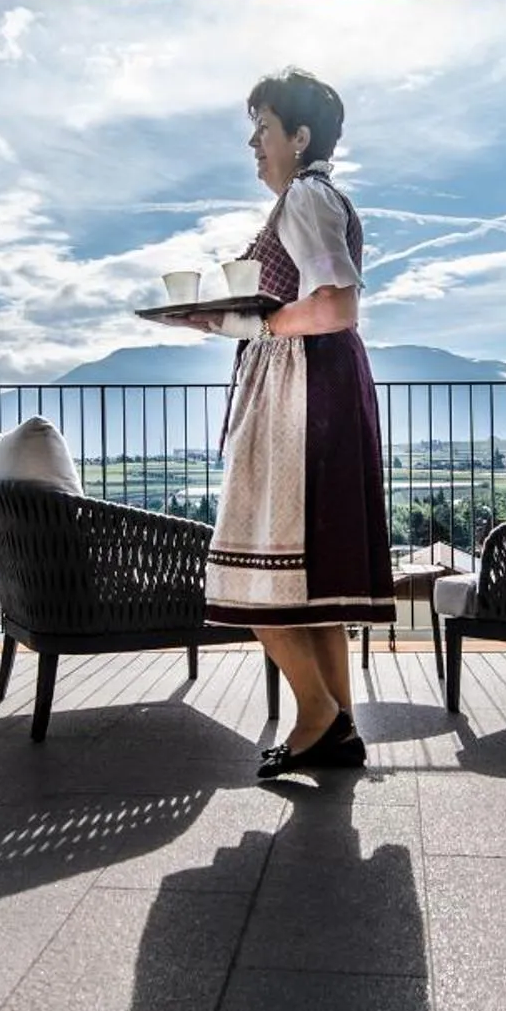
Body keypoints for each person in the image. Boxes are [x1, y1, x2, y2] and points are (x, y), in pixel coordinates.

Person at [169, 68, 393, 777]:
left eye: (263, 128)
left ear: (300, 138)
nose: (253, 143)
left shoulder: (304, 196)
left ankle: (316, 716)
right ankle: (338, 727)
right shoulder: (317, 198)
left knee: (251, 572)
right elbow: (310, 302)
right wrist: (229, 319)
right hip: (319, 388)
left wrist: (258, 329)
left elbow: (335, 306)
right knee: (313, 583)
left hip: (302, 399)